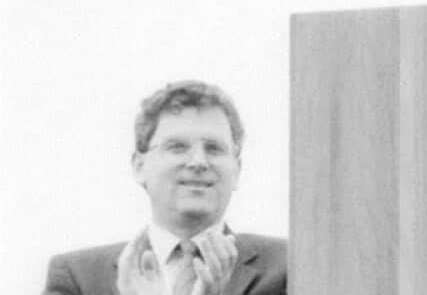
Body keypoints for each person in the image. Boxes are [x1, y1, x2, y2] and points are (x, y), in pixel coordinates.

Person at [43, 81, 286, 295]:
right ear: (139, 166)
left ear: (237, 170)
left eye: (214, 148)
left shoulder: (291, 268)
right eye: (177, 147)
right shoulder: (78, 279)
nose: (198, 162)